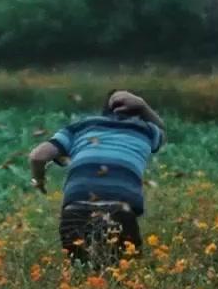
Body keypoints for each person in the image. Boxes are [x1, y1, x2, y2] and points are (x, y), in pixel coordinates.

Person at [29, 88, 165, 263]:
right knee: (125, 276)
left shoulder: (81, 127)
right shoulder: (145, 130)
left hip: (75, 210)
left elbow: (37, 156)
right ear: (138, 111)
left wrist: (39, 181)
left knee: (83, 274)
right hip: (120, 209)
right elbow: (161, 130)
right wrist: (143, 106)